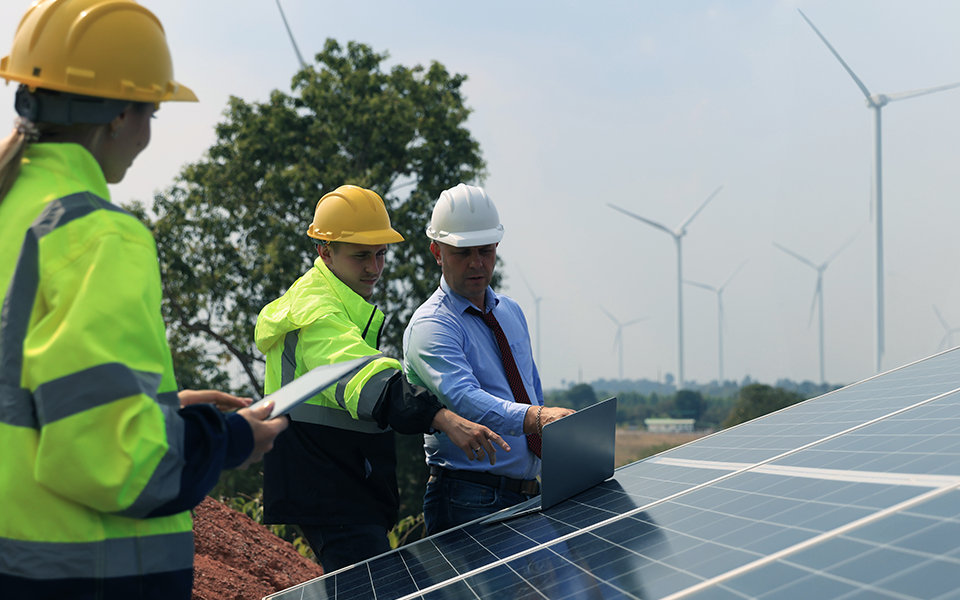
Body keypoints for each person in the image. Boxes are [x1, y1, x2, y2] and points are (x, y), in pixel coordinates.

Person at [0, 2, 288, 598]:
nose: (148, 135)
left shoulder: (12, 213)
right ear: (120, 114)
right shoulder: (96, 234)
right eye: (151, 112)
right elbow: (116, 461)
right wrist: (232, 440)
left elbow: (28, 404)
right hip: (85, 577)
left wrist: (167, 405)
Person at [255, 184, 509, 573]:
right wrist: (441, 417)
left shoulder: (334, 302)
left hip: (341, 487)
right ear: (325, 251)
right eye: (361, 256)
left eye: (380, 254)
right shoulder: (316, 311)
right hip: (329, 491)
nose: (374, 268)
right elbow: (363, 377)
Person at [403, 183, 575, 535]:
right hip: (468, 497)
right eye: (462, 252)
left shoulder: (510, 312)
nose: (476, 263)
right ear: (437, 251)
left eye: (486, 251)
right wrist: (538, 418)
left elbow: (530, 391)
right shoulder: (432, 325)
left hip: (528, 495)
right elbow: (464, 400)